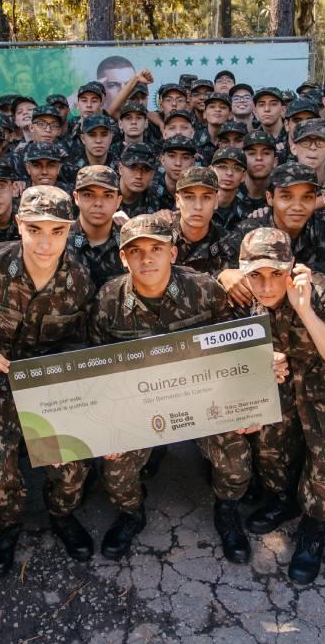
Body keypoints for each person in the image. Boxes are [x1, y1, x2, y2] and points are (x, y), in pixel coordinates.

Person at [81, 213, 250, 560]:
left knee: (236, 459)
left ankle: (228, 508)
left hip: (202, 397)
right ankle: (132, 513)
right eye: (136, 251)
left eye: (156, 248)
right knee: (114, 470)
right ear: (122, 257)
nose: (147, 258)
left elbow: (233, 348)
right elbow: (96, 369)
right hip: (138, 404)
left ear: (172, 253)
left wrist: (243, 404)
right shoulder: (109, 301)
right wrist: (104, 427)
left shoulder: (203, 289)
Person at [0, 186, 94, 574]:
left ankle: (61, 515)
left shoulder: (78, 277)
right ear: (18, 226)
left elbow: (83, 340)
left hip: (48, 383)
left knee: (73, 461)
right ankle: (5, 527)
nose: (45, 243)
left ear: (70, 230)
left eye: (57, 231)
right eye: (34, 230)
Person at [237, 227, 325, 583]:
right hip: (280, 386)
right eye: (256, 275)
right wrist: (261, 359)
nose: (267, 286)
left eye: (276, 274)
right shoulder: (245, 298)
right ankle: (283, 499)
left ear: (291, 265)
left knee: (321, 458)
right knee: (272, 448)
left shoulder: (322, 291)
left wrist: (305, 311)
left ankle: (314, 525)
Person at [68, 165, 126, 288]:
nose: (98, 203)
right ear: (76, 198)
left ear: (118, 201)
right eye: (89, 195)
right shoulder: (60, 239)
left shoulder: (128, 241)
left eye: (108, 196)